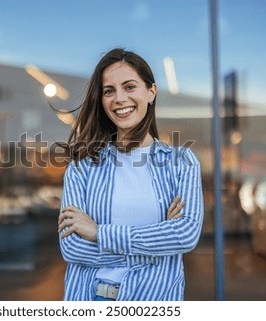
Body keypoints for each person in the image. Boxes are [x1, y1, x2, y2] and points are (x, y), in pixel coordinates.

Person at [57, 48, 204, 301]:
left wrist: (99, 233)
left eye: (129, 87)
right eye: (109, 91)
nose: (119, 98)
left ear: (151, 92)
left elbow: (185, 235)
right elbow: (72, 248)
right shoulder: (82, 167)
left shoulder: (181, 162)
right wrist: (159, 241)